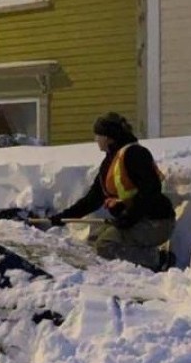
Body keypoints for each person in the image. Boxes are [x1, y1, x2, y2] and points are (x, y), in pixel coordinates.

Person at [49, 112, 176, 269]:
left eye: (98, 135)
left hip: (155, 222)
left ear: (108, 137)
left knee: (105, 245)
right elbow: (93, 199)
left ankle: (159, 259)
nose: (95, 140)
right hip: (135, 221)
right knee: (95, 238)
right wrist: (63, 217)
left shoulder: (134, 154)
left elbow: (151, 191)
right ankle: (140, 250)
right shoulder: (111, 160)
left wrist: (129, 217)